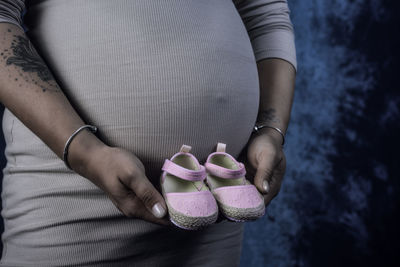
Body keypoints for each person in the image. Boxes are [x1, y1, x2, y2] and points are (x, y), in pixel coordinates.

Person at [0, 0, 297, 266]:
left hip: (214, 202)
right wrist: (84, 152)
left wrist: (271, 129)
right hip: (71, 197)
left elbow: (264, 13)